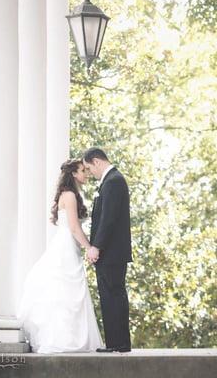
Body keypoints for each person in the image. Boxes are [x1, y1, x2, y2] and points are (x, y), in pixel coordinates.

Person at [16, 159, 103, 353]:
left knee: (68, 291)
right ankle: (63, 339)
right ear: (73, 173)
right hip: (66, 246)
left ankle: (68, 337)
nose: (86, 174)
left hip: (68, 245)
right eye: (83, 170)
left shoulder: (70, 194)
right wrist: (89, 247)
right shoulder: (70, 195)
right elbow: (73, 227)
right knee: (65, 291)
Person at [83, 147, 132, 353]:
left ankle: (118, 343)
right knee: (111, 295)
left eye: (88, 168)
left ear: (96, 161)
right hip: (111, 252)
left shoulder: (113, 181)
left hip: (111, 253)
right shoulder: (112, 180)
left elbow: (108, 219)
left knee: (113, 295)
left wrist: (96, 246)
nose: (89, 173)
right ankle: (116, 343)